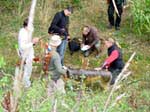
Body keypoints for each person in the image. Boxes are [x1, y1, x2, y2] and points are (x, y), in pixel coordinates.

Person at [18, 18, 39, 87]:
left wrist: (33, 42)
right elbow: (22, 46)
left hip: (29, 53)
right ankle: (26, 85)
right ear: (26, 26)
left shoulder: (26, 31)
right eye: (31, 26)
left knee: (28, 69)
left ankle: (26, 81)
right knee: (28, 70)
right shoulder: (23, 34)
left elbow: (28, 42)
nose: (32, 27)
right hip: (26, 55)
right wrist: (32, 43)